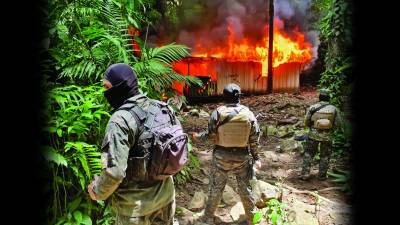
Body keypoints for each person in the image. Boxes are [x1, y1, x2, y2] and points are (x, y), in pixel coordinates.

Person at [87, 63, 177, 225]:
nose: (105, 92)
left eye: (107, 87)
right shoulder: (162, 108)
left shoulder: (120, 120)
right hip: (166, 199)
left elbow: (114, 172)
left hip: (135, 210)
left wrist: (97, 191)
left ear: (120, 87)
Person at [192, 83, 262, 225]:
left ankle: (207, 219)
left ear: (225, 96)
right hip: (242, 157)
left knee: (216, 188)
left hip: (221, 156)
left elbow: (210, 136)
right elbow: (254, 139)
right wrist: (257, 157)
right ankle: (252, 219)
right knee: (245, 189)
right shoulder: (248, 114)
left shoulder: (218, 113)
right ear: (239, 97)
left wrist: (197, 137)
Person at [300, 88, 344, 181]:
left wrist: (312, 128)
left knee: (308, 153)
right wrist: (331, 130)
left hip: (313, 135)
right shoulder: (334, 109)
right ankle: (322, 176)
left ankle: (305, 174)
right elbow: (338, 124)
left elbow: (306, 122)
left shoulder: (313, 107)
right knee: (325, 156)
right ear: (328, 98)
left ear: (320, 97)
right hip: (327, 137)